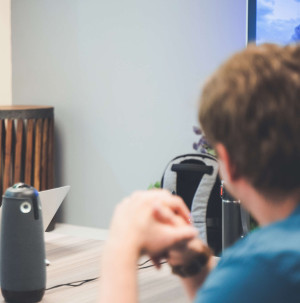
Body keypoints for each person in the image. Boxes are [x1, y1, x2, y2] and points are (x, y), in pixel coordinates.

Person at [99, 43, 300, 302]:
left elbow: (247, 284)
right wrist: (193, 261)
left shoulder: (265, 268)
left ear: (229, 162)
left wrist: (121, 244)